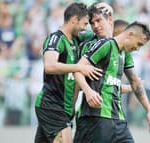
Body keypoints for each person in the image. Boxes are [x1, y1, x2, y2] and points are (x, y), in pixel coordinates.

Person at [74, 21, 150, 143]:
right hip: (96, 117)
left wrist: (149, 110)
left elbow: (135, 82)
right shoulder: (105, 45)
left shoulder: (125, 54)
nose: (138, 49)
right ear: (130, 34)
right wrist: (88, 91)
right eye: (138, 44)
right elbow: (77, 69)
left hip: (118, 119)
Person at [34, 2, 102, 143]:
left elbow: (101, 34)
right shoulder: (56, 38)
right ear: (74, 20)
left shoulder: (77, 39)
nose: (85, 28)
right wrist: (78, 67)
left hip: (64, 108)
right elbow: (50, 66)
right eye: (84, 24)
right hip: (51, 105)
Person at [74, 3, 133, 142]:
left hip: (117, 117)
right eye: (92, 22)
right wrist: (87, 92)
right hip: (93, 116)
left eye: (99, 20)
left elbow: (109, 82)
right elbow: (77, 72)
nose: (95, 26)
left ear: (110, 19)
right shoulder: (89, 44)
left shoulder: (121, 47)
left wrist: (132, 88)